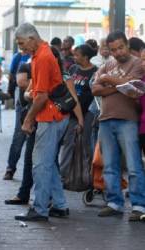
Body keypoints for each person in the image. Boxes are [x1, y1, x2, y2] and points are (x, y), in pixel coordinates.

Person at [13, 23, 70, 222]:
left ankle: (40, 209)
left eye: (22, 43)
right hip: (53, 115)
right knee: (48, 162)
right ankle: (60, 205)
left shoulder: (43, 57)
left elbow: (42, 97)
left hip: (50, 116)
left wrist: (28, 120)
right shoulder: (40, 54)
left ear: (31, 38)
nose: (21, 48)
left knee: (40, 164)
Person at [92, 31, 145, 221]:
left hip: (128, 119)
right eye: (113, 49)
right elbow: (94, 88)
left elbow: (133, 84)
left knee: (133, 165)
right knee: (110, 165)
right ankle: (114, 203)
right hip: (105, 119)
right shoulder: (108, 64)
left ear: (127, 45)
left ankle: (139, 206)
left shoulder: (137, 63)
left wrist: (107, 80)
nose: (117, 52)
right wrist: (117, 86)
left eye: (120, 47)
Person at [59, 44, 98, 174]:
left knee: (87, 143)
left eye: (77, 55)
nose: (74, 57)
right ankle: (63, 174)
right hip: (72, 112)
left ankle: (90, 175)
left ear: (86, 57)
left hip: (88, 113)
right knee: (68, 142)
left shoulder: (95, 71)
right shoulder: (73, 68)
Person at [3, 50, 30, 180]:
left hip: (39, 101)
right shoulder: (19, 57)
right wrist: (10, 90)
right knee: (19, 135)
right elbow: (13, 76)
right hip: (23, 101)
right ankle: (10, 168)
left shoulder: (41, 58)